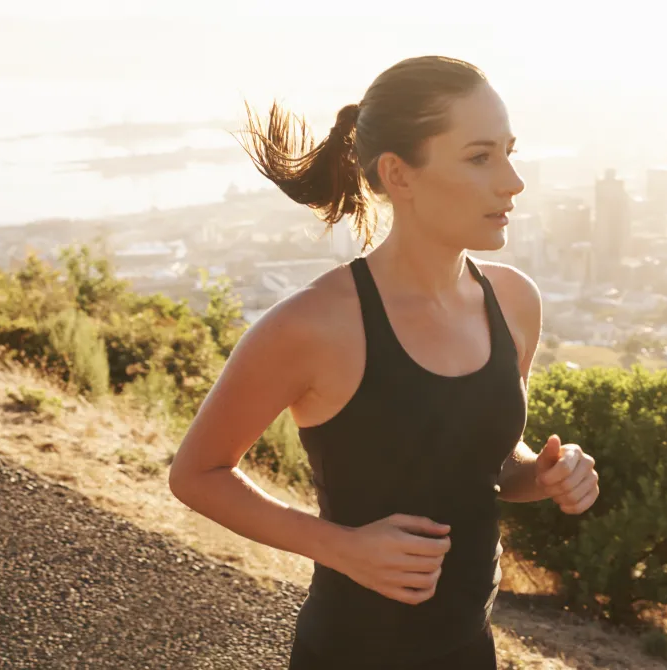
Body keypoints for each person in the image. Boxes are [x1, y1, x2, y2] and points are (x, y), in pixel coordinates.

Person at [168, 55, 600, 670]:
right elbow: (197, 473)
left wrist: (548, 474)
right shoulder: (313, 325)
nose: (513, 181)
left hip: (471, 649)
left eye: (509, 151)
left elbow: (493, 467)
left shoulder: (514, 301)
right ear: (400, 174)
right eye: (480, 157)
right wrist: (341, 547)